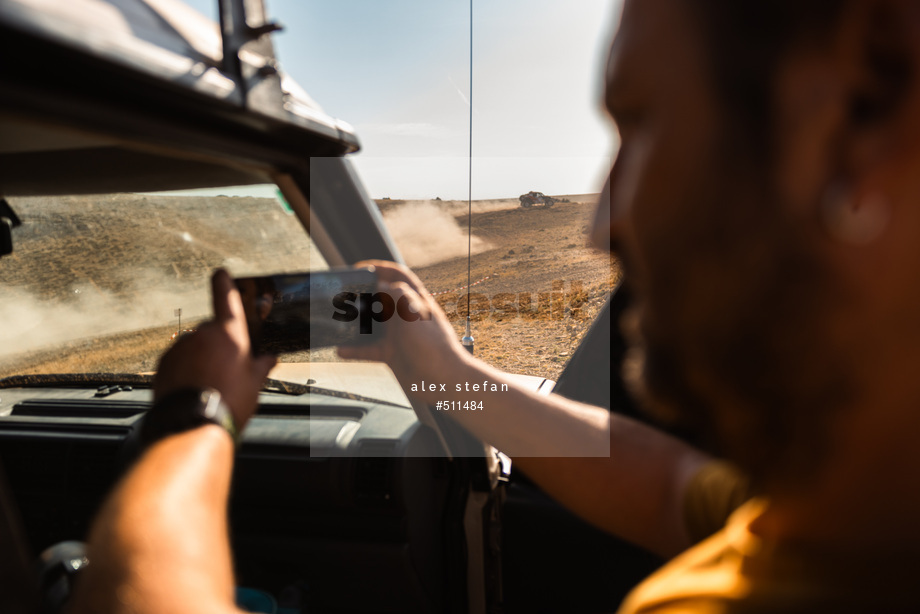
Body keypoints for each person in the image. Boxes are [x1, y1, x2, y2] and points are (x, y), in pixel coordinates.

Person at [71, 0, 920, 610]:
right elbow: (672, 490)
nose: (602, 222)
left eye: (643, 122)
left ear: (855, 120)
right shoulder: (832, 517)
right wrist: (448, 377)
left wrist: (192, 415)